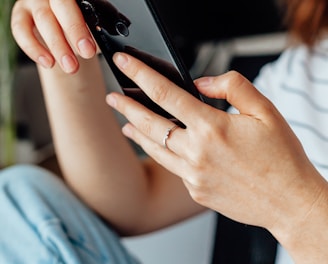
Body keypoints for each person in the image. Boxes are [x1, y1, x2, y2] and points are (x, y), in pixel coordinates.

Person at [2, 0, 328, 263]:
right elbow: (137, 203)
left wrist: (294, 207)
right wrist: (61, 50)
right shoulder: (302, 71)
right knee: (15, 199)